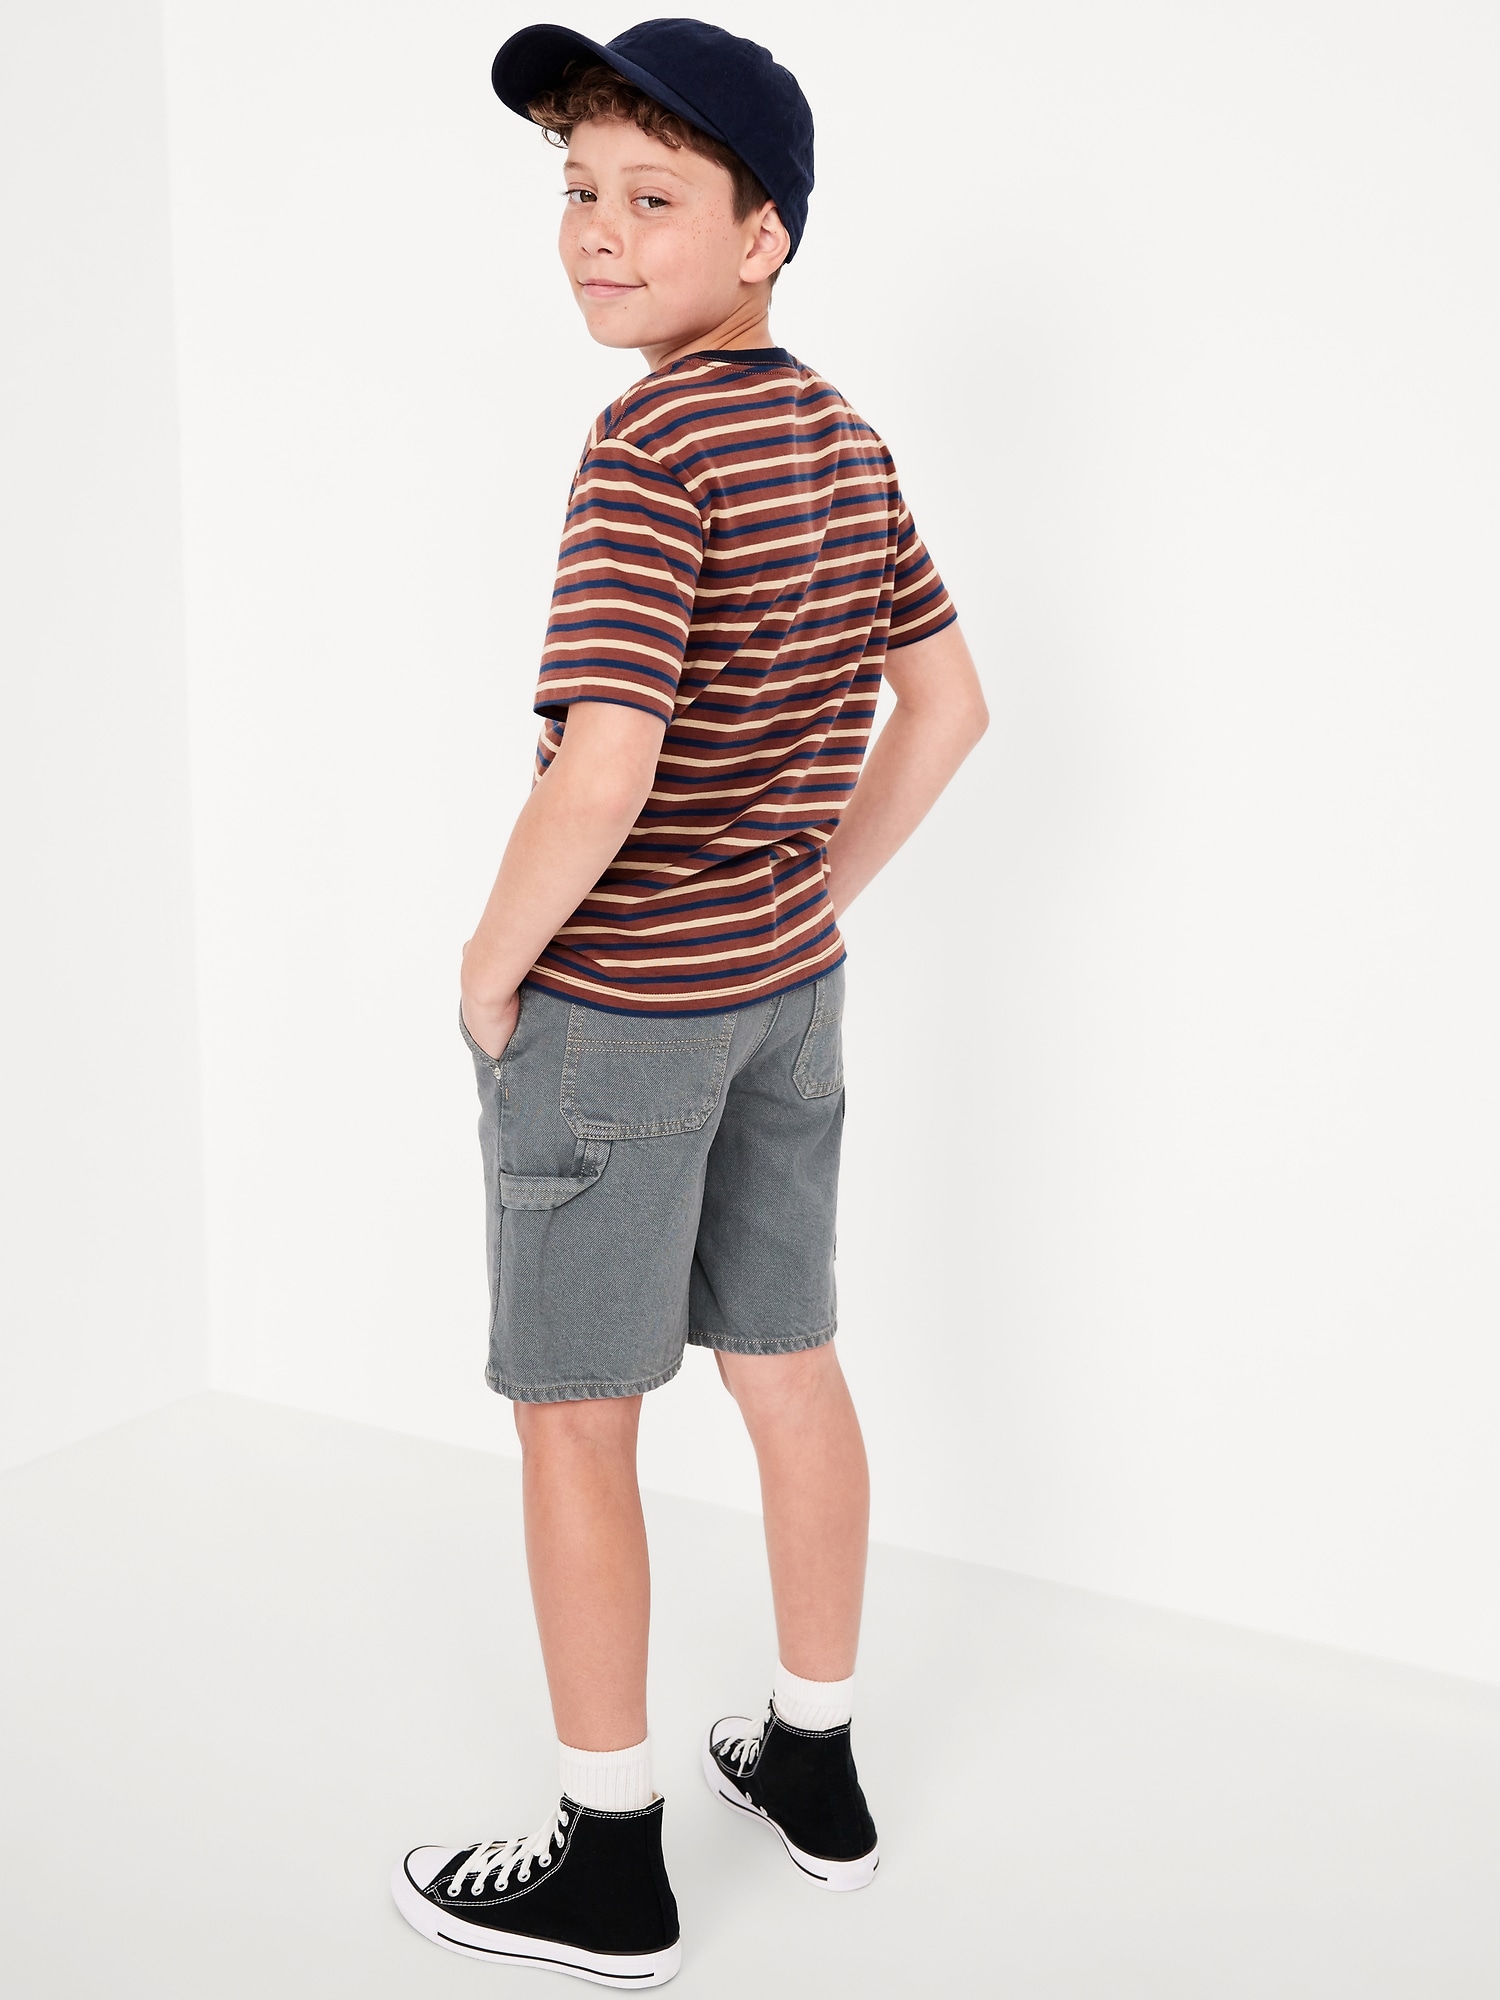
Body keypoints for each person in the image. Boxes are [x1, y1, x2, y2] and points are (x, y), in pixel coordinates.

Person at [391, 18, 988, 1986]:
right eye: (578, 189)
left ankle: (608, 1859)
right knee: (789, 1365)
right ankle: (815, 1764)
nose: (596, 230)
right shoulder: (843, 438)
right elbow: (949, 707)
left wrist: (492, 966)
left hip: (624, 1012)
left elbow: (606, 766)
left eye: (654, 197)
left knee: (578, 1422)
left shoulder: (647, 449)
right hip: (787, 996)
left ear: (764, 236)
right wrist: (813, 891)